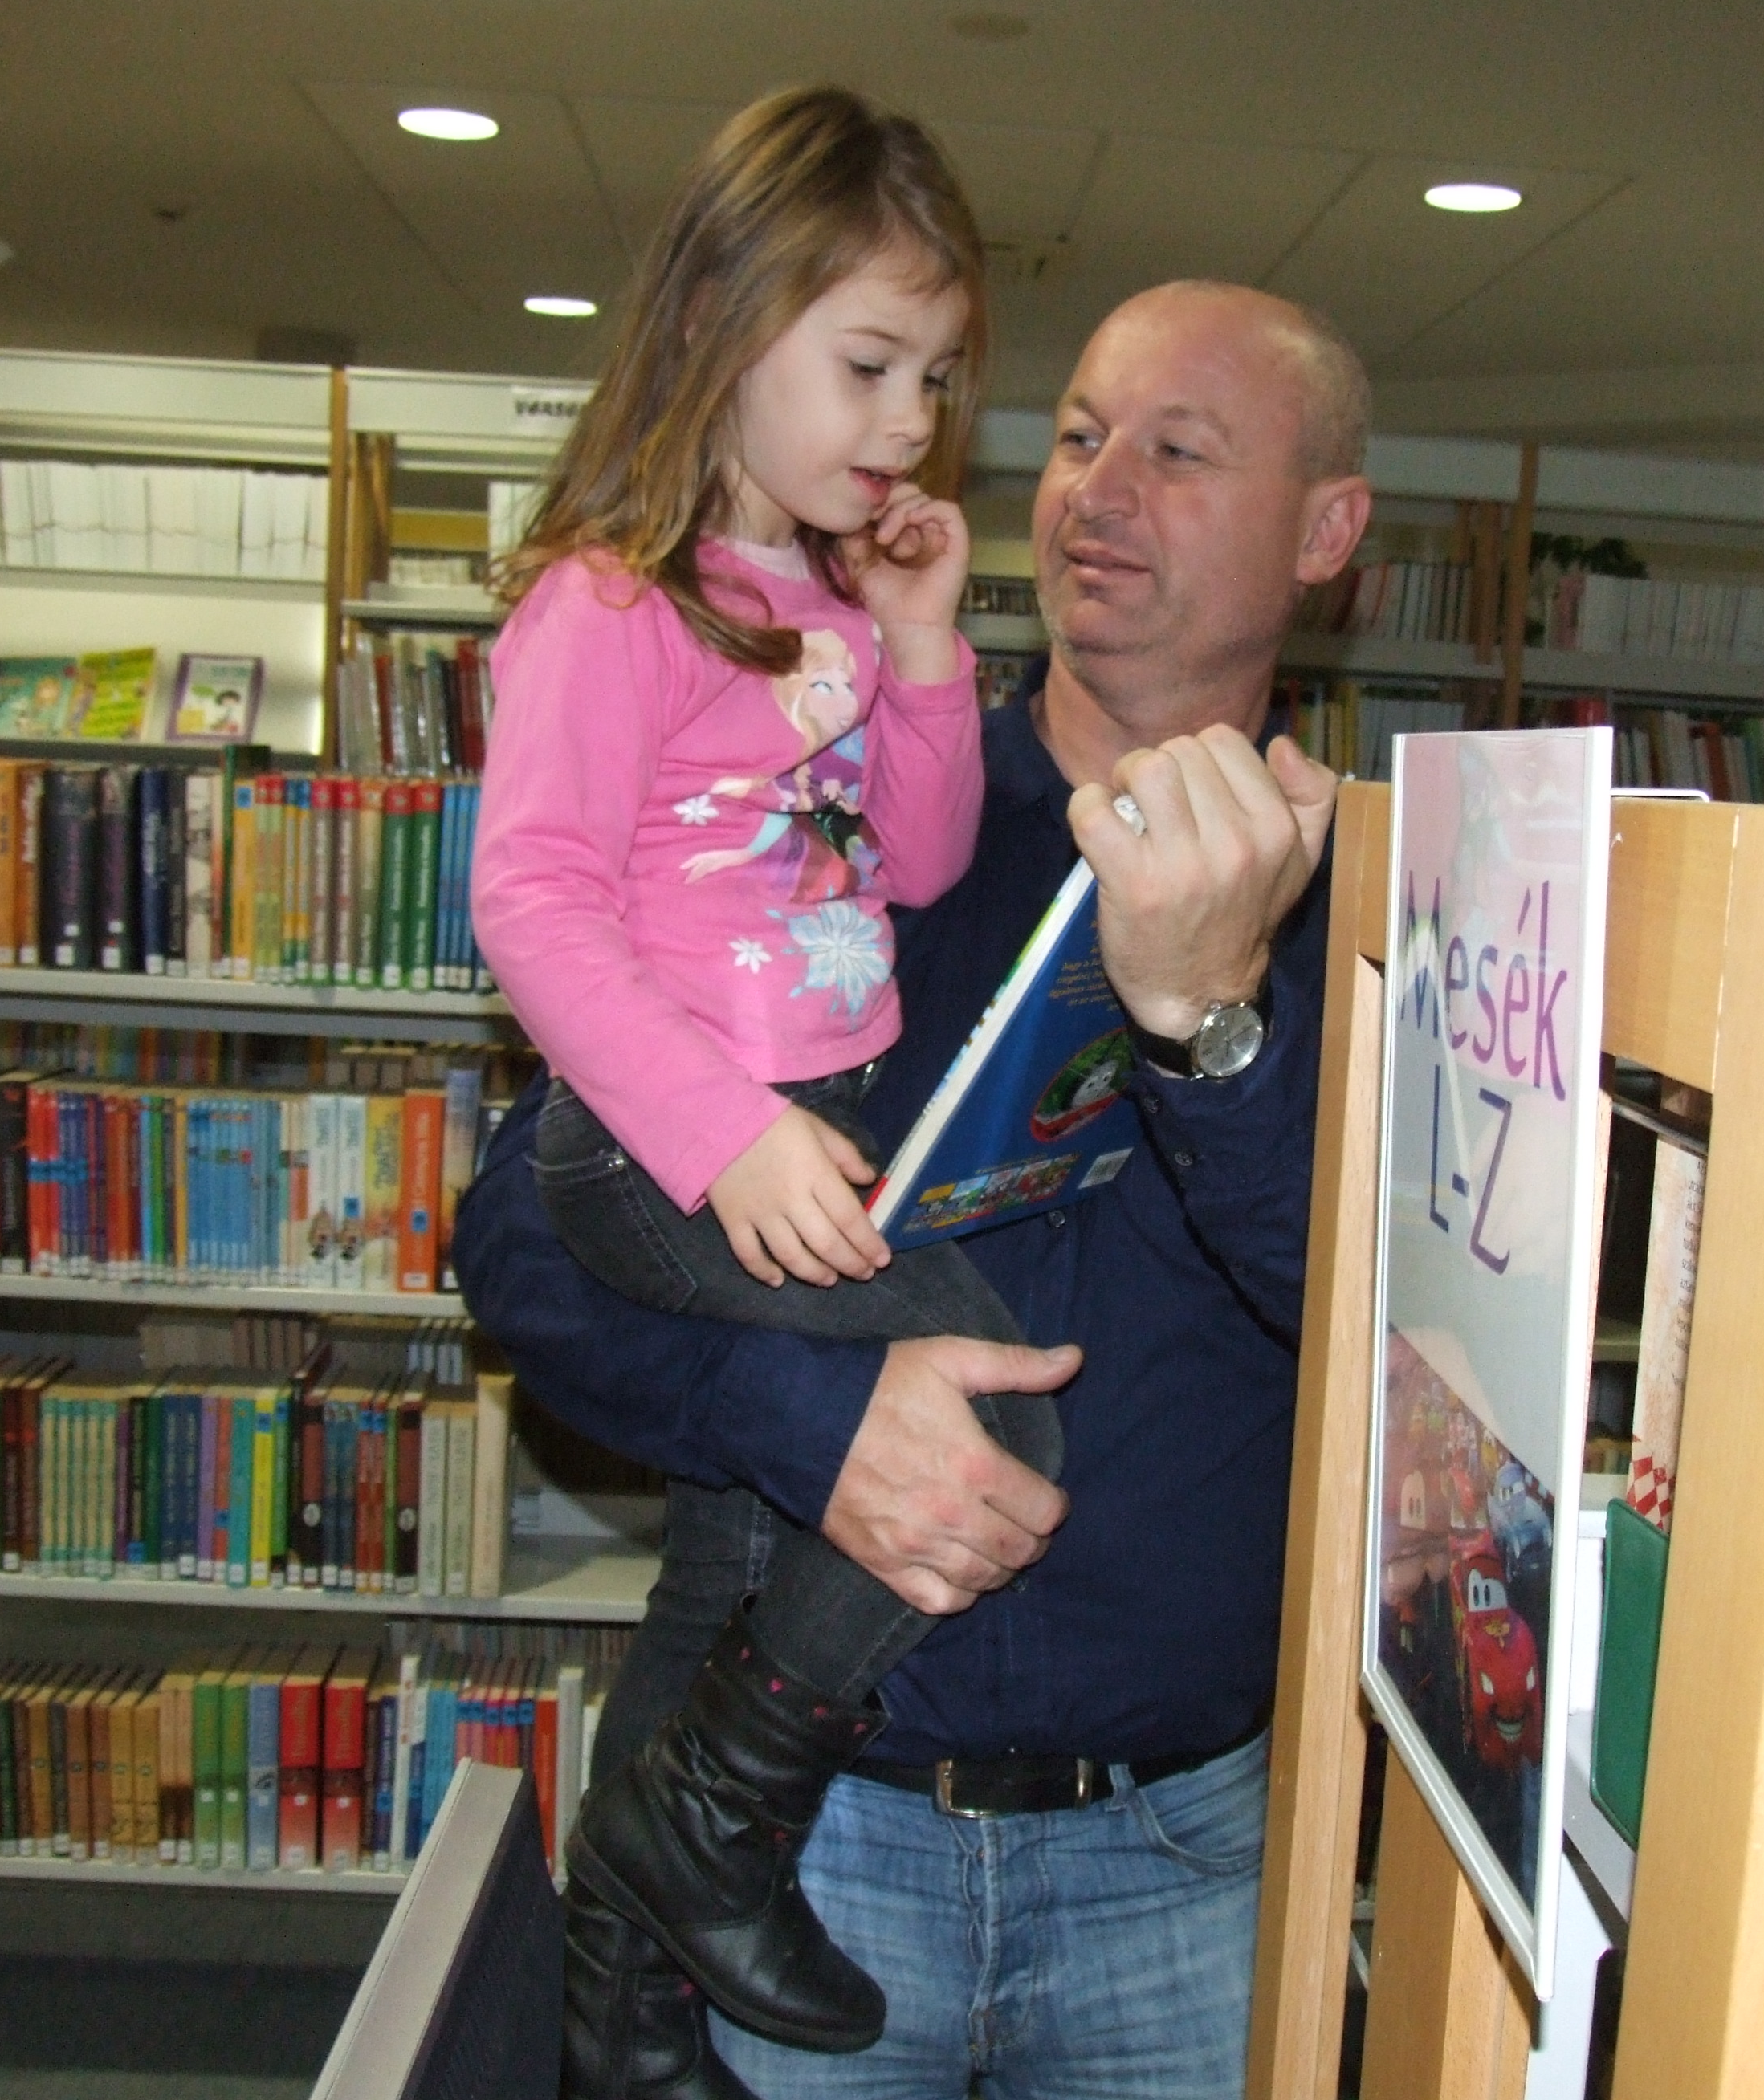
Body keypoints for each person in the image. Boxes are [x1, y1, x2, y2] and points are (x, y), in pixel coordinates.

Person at [458, 275, 1371, 2098]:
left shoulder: (1380, 902)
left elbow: (1378, 1326)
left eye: (1179, 451)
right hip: (821, 1845)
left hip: (1186, 1859)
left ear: (1326, 534)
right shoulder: (853, 808)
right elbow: (521, 1237)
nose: (1097, 488)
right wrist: (805, 1421)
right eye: (1081, 435)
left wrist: (1215, 1024)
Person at [469, 86, 1065, 2083]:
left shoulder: (821, 606)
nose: (910, 421)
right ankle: (712, 1826)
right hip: (668, 1146)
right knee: (996, 1409)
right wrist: (719, 1135)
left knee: (736, 1550)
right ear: (725, 324)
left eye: (937, 378)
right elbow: (530, 902)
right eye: (869, 364)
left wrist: (920, 648)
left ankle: (626, 2006)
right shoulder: (609, 601)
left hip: (820, 1121)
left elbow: (917, 863)